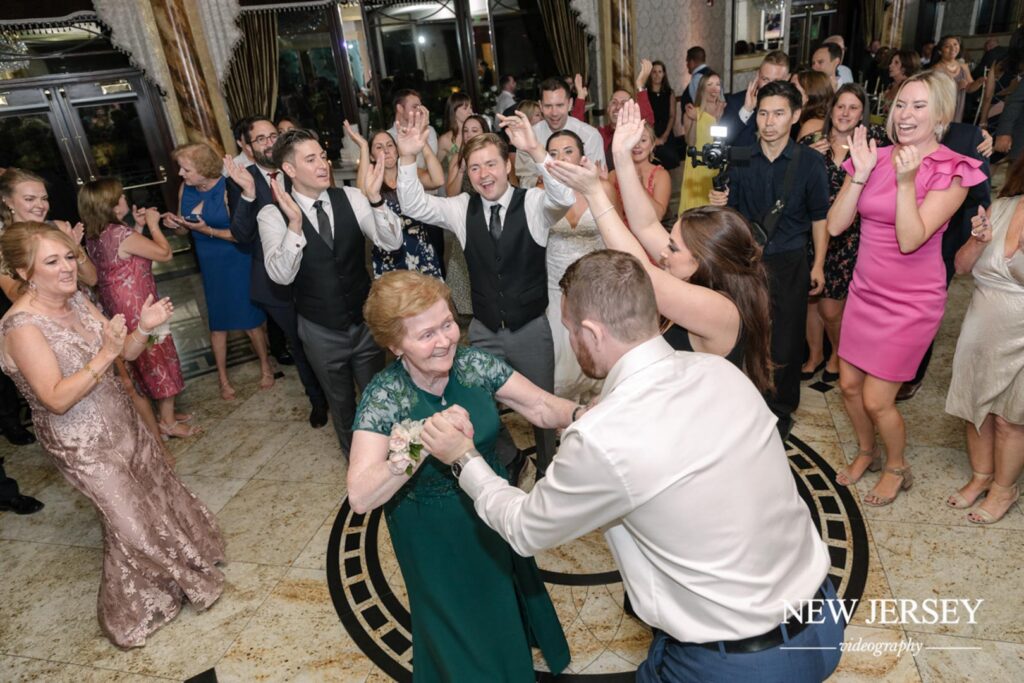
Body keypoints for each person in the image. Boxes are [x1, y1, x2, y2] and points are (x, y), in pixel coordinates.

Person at [419, 249, 844, 683]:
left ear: (591, 332)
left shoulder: (605, 437)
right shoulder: (720, 372)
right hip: (824, 618)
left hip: (733, 664)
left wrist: (463, 457)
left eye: (569, 330)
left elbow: (524, 529)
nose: (571, 340)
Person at [0, 222, 224, 647]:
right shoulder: (21, 327)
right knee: (129, 520)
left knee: (155, 495)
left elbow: (125, 353)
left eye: (69, 255)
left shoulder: (80, 301)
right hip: (80, 441)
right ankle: (129, 613)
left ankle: (179, 572)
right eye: (52, 261)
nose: (68, 267)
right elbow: (55, 398)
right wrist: (104, 353)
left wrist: (144, 326)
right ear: (25, 271)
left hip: (121, 421)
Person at [346, 270, 570, 680]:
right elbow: (360, 496)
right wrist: (416, 444)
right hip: (432, 533)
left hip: (490, 508)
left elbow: (539, 407)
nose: (446, 340)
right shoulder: (384, 396)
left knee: (499, 602)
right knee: (459, 623)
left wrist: (581, 416)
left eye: (447, 323)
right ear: (395, 345)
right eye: (426, 334)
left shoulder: (472, 364)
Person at [825, 70, 986, 506]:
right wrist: (858, 174)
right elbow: (838, 225)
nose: (905, 114)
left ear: (940, 116)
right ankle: (866, 451)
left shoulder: (953, 170)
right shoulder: (874, 157)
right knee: (849, 386)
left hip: (911, 302)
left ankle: (897, 466)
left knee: (879, 400)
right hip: (865, 290)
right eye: (900, 104)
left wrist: (905, 181)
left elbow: (911, 238)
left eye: (918, 106)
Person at [549, 100, 774, 394]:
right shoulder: (700, 277)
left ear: (706, 260)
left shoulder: (722, 309)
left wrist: (595, 193)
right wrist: (622, 156)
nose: (664, 253)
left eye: (674, 248)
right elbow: (644, 225)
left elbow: (645, 274)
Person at [396, 108, 575, 476]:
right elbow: (414, 205)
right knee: (478, 405)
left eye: (491, 164)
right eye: (474, 168)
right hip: (483, 330)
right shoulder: (463, 208)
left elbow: (565, 197)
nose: (483, 175)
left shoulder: (534, 204)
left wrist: (536, 150)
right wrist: (409, 156)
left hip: (530, 330)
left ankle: (547, 469)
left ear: (507, 165)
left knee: (540, 407)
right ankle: (508, 459)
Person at [257, 128, 404, 455]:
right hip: (320, 329)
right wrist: (294, 226)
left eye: (322, 156)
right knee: (342, 405)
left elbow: (391, 242)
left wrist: (376, 199)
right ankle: (359, 468)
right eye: (311, 159)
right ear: (290, 170)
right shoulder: (272, 215)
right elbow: (280, 276)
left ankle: (393, 460)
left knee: (378, 396)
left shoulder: (350, 198)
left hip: (363, 322)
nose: (323, 164)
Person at [710, 80, 830, 440]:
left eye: (778, 113)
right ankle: (746, 402)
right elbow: (730, 210)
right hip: (747, 260)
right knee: (746, 332)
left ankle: (780, 409)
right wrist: (720, 203)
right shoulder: (741, 154)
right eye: (763, 113)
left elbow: (819, 217)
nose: (769, 121)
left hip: (790, 260)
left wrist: (819, 264)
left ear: (794, 116)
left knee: (786, 338)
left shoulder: (809, 162)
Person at [222, 117, 329, 429]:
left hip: (312, 271)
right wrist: (248, 194)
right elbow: (241, 235)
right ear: (246, 146)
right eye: (260, 139)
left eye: (273, 135)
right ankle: (317, 400)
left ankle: (339, 390)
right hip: (274, 281)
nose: (270, 143)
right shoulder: (243, 178)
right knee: (299, 342)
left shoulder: (298, 169)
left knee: (325, 335)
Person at [79, 178, 196, 438]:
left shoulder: (95, 234)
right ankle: (167, 423)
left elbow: (129, 258)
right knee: (159, 357)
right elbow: (164, 254)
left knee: (142, 361)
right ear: (111, 204)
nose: (125, 199)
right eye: (120, 197)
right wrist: (154, 225)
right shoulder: (120, 234)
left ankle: (162, 414)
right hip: (138, 304)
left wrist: (140, 227)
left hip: (118, 305)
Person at [168, 142, 275, 401]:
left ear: (204, 169)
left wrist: (207, 230)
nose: (181, 174)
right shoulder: (187, 189)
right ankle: (223, 379)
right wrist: (176, 225)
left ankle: (265, 366)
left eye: (186, 169)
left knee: (249, 319)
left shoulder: (228, 188)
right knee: (218, 322)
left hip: (235, 257)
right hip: (209, 262)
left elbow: (241, 235)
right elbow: (184, 230)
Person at [944, 180, 1024, 524]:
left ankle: (1004, 488)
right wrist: (978, 241)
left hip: (1021, 330)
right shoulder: (1003, 205)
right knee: (974, 403)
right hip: (981, 323)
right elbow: (961, 266)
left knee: (1009, 417)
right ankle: (981, 475)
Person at [799, 85, 888, 383]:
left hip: (850, 235)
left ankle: (838, 352)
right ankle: (815, 355)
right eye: (841, 106)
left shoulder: (874, 143)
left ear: (862, 113)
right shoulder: (812, 142)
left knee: (831, 306)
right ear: (831, 109)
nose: (845, 113)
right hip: (812, 231)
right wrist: (805, 158)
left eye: (853, 107)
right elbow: (791, 180)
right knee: (811, 300)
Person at [542, 130, 611, 399]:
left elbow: (612, 236)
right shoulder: (539, 194)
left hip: (595, 286)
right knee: (560, 358)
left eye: (568, 151)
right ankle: (564, 414)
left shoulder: (601, 188)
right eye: (553, 153)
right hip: (556, 287)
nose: (561, 158)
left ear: (582, 156)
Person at [347, 124, 445, 277]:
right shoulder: (372, 183)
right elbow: (361, 194)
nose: (386, 150)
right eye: (379, 147)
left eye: (390, 145)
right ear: (372, 156)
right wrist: (364, 147)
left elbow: (438, 180)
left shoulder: (411, 174)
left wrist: (421, 143)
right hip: (390, 256)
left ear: (397, 150)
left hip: (421, 250)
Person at [515, 78, 605, 187]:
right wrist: (539, 181)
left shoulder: (589, 135)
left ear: (570, 104)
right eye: (548, 106)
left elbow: (598, 180)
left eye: (560, 105)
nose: (554, 113)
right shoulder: (528, 137)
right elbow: (524, 180)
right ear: (541, 106)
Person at [720, 50, 791, 148]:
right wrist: (746, 110)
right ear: (758, 75)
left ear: (787, 79)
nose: (769, 87)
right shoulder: (736, 102)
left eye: (776, 82)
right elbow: (721, 141)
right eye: (765, 79)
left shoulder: (791, 106)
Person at [596, 58, 656, 172]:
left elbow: (648, 122)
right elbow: (577, 131)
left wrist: (640, 85)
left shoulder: (635, 131)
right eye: (614, 102)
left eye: (624, 104)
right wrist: (580, 97)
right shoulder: (600, 133)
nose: (618, 107)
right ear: (608, 108)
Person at [679, 71, 726, 212]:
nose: (714, 89)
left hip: (713, 165)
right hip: (697, 164)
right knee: (695, 209)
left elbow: (720, 139)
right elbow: (690, 142)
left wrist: (717, 119)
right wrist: (695, 119)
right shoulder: (692, 111)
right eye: (709, 84)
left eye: (717, 84)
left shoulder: (723, 109)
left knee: (712, 208)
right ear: (702, 88)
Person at [608, 122, 671, 221]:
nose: (637, 145)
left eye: (643, 140)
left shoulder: (661, 175)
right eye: (632, 140)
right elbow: (612, 217)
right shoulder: (613, 175)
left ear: (652, 145)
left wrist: (639, 186)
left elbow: (659, 216)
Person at [387, 89, 439, 169]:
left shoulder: (429, 130)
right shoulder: (387, 136)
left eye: (420, 107)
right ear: (400, 108)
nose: (420, 111)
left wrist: (422, 133)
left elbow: (431, 167)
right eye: (415, 107)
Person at [444, 115, 492, 198]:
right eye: (465, 131)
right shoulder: (457, 158)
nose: (469, 135)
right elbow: (450, 194)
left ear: (484, 133)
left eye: (474, 130)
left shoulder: (493, 155)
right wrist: (461, 171)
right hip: (465, 207)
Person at [934, 36, 976, 122]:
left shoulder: (964, 67)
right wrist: (955, 87)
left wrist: (980, 81)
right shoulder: (935, 70)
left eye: (955, 44)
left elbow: (969, 88)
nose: (953, 48)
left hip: (958, 108)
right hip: (941, 110)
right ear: (940, 51)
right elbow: (934, 93)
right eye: (947, 46)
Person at [792, 70, 834, 142]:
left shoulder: (811, 126)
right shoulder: (823, 121)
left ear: (808, 95)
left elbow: (798, 153)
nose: (789, 92)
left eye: (794, 89)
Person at [437, 92, 473, 173]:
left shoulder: (475, 133)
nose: (470, 111)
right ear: (454, 111)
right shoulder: (445, 140)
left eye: (470, 107)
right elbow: (436, 168)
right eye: (465, 108)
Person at [881, 50, 922, 117]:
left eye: (896, 63)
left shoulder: (909, 88)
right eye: (891, 62)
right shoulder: (891, 85)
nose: (890, 65)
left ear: (905, 67)